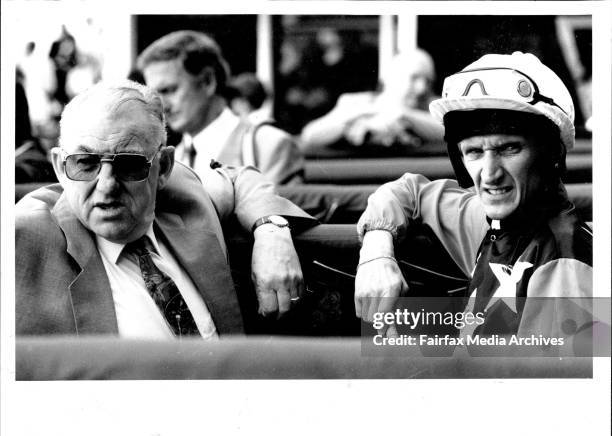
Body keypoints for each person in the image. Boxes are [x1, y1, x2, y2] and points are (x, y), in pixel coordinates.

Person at [16, 80, 315, 338]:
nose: (106, 185)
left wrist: (272, 232)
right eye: (85, 163)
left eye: (130, 165)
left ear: (164, 167)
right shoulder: (25, 236)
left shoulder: (185, 195)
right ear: (59, 166)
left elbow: (239, 179)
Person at [354, 52, 592, 340]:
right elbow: (409, 192)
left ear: (550, 153)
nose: (489, 174)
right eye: (475, 152)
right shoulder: (487, 219)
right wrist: (376, 252)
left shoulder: (566, 268)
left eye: (509, 148)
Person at [137, 30, 303, 185]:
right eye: (155, 96)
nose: (161, 106)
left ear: (208, 82)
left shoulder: (268, 147)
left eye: (169, 90)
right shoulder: (172, 159)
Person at [300, 49, 444, 153]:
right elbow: (309, 136)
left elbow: (453, 132)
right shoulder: (358, 103)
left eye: (428, 81)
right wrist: (362, 114)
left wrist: (403, 115)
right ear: (390, 78)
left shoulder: (434, 108)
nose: (422, 88)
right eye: (414, 78)